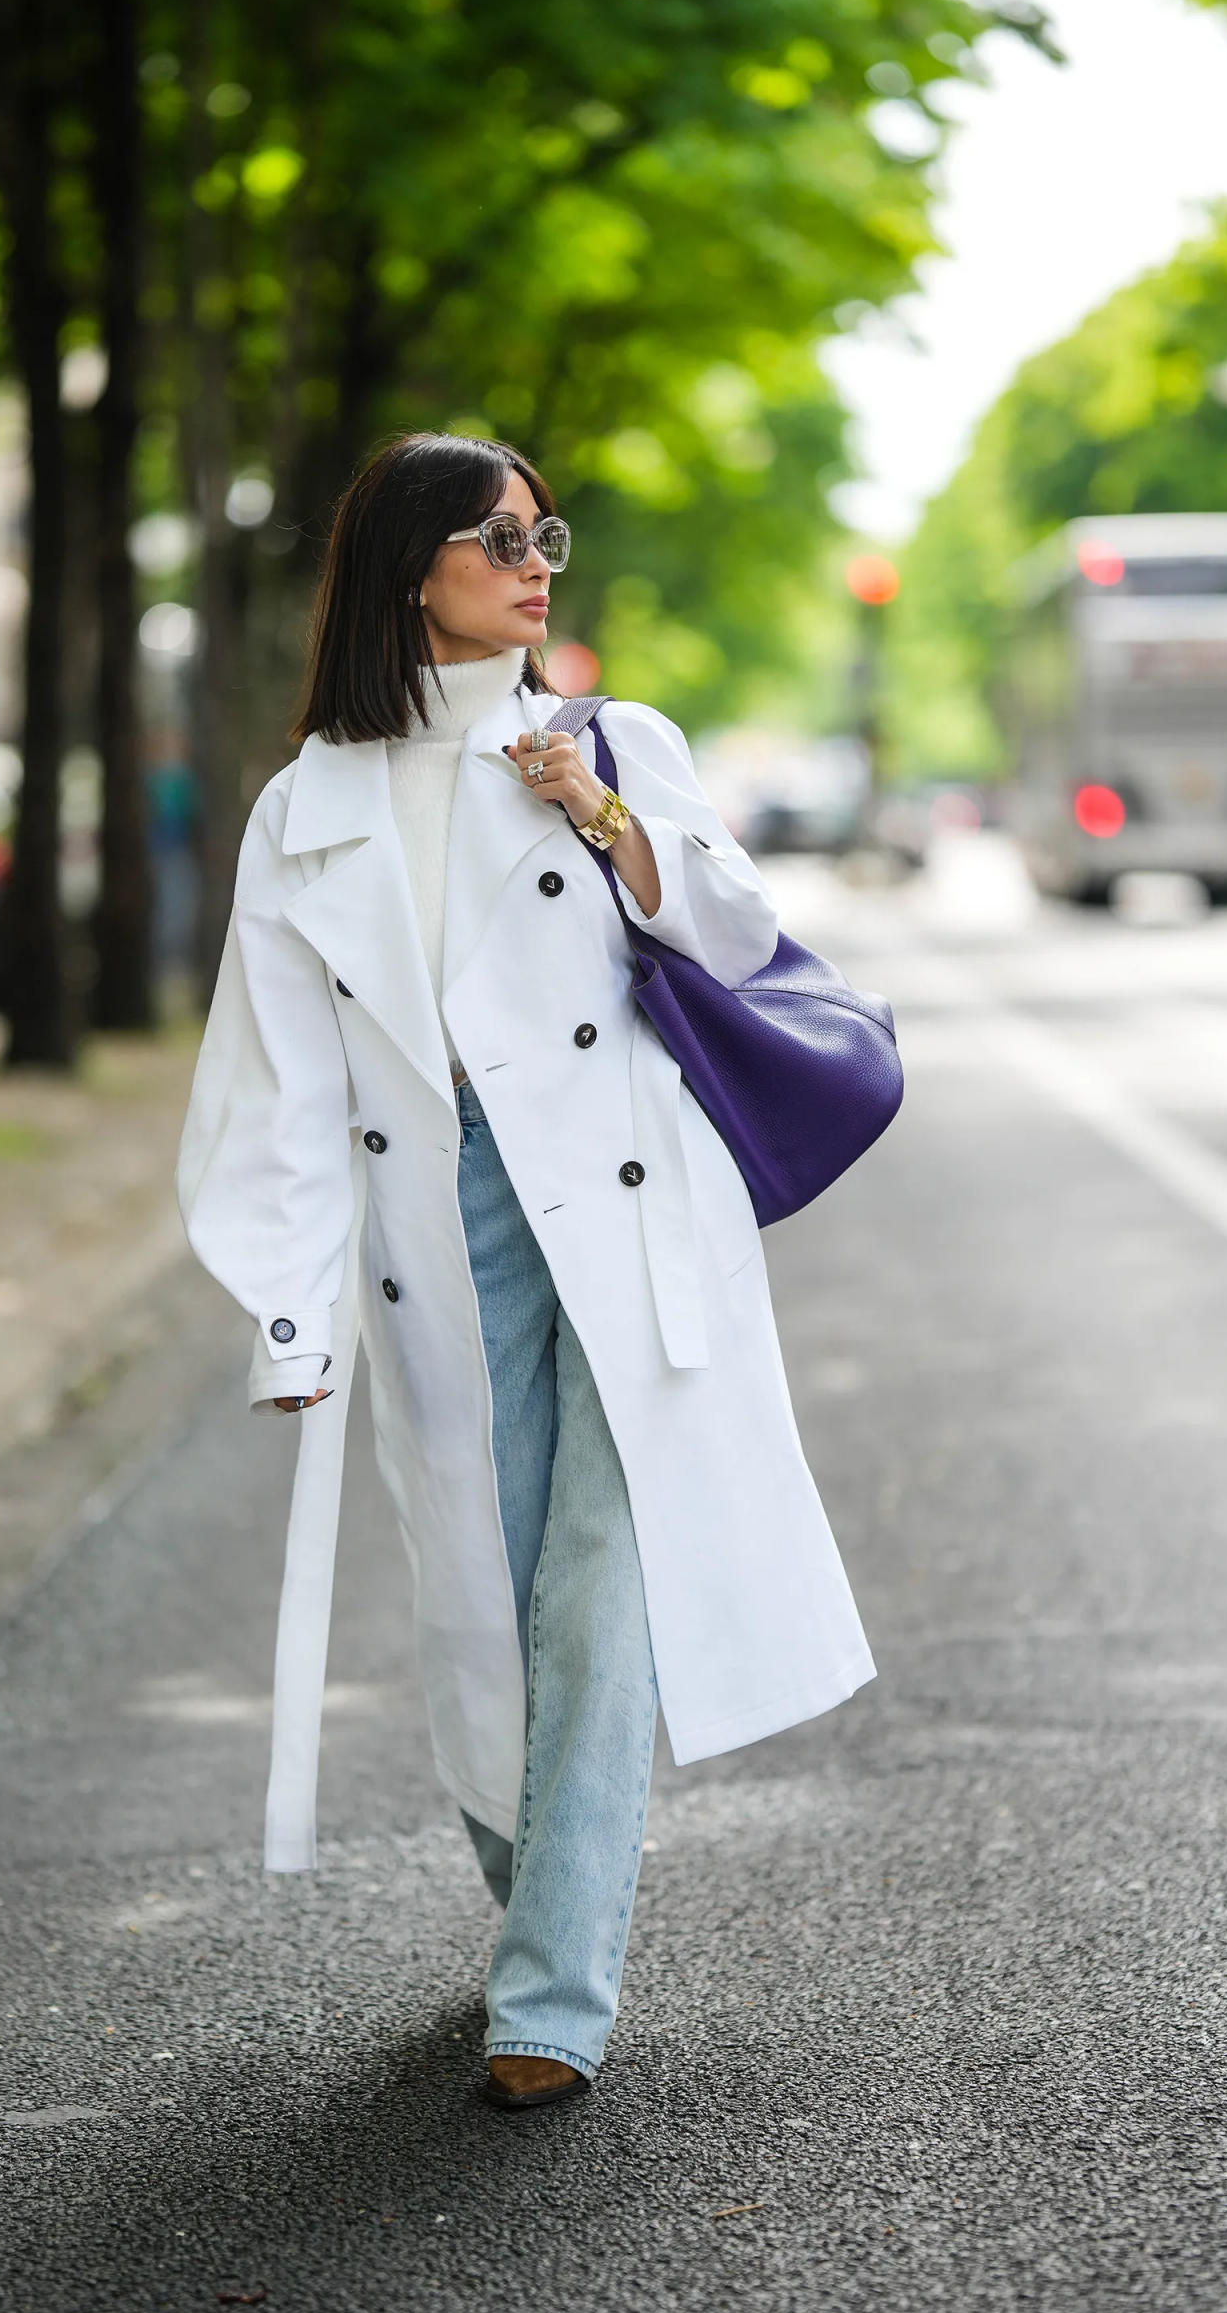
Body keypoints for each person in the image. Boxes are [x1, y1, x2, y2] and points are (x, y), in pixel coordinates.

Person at [177, 431, 875, 2110]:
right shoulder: (305, 809)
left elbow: (735, 936)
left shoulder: (609, 740)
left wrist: (601, 809)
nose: (535, 556)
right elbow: (275, 1078)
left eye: (541, 530)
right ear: (408, 565)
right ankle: (534, 1902)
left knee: (594, 1583)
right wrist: (287, 1306)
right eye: (497, 535)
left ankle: (551, 1989)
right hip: (438, 1213)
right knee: (479, 1595)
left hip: (626, 1204)